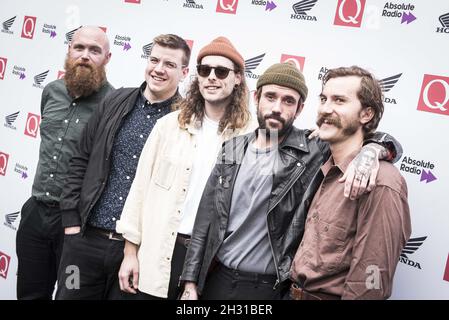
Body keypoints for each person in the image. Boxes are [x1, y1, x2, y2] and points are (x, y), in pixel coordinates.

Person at [179, 63, 402, 300]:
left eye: (288, 101)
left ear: (299, 109)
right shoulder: (234, 147)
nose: (277, 108)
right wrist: (191, 282)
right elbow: (206, 218)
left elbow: (360, 135)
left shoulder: (313, 148)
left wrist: (375, 149)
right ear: (257, 98)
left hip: (269, 286)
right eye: (271, 97)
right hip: (218, 278)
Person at [116, 36, 256, 299]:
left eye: (221, 71)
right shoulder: (169, 126)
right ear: (197, 77)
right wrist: (130, 254)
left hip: (208, 263)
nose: (212, 77)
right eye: (205, 70)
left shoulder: (251, 136)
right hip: (156, 254)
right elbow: (139, 190)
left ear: (238, 78)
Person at [56, 34, 190, 300]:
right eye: (154, 60)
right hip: (84, 243)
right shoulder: (115, 100)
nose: (159, 69)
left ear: (184, 72)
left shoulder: (186, 120)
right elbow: (81, 158)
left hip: (136, 255)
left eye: (170, 64)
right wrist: (71, 226)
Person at [288, 66, 411, 300]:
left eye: (339, 101)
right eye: (324, 99)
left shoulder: (381, 182)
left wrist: (375, 149)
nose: (326, 108)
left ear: (366, 114)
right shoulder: (322, 163)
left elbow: (371, 283)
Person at [15, 26, 113, 300]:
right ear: (69, 51)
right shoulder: (51, 91)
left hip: (75, 227)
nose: (85, 55)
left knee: (71, 294)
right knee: (30, 294)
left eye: (94, 50)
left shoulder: (112, 105)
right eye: (79, 48)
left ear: (107, 58)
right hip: (35, 216)